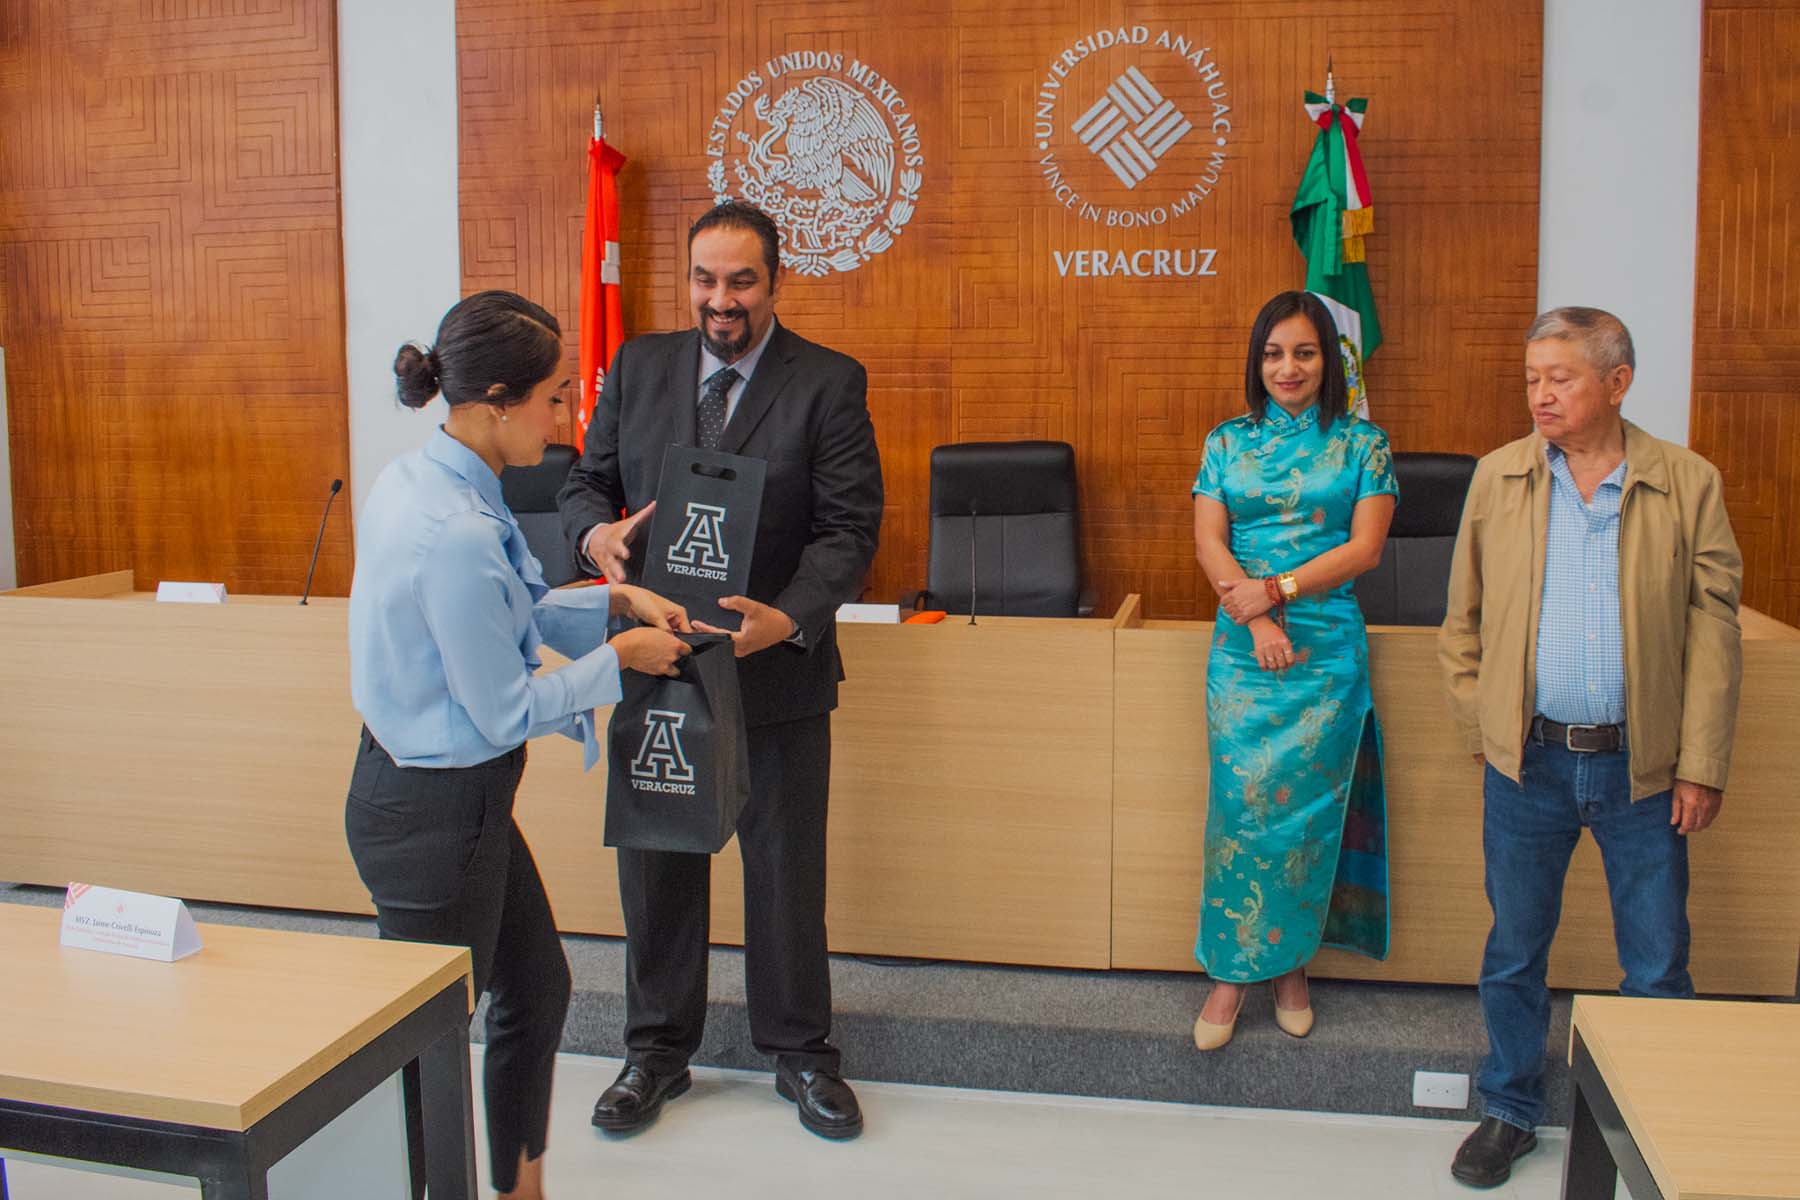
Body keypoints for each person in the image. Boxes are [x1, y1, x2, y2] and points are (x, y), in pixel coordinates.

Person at [346, 290, 691, 1199]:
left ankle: (517, 1188)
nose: (567, 417)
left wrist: (613, 600)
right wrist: (620, 659)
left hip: (461, 804)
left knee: (536, 993)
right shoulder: (451, 529)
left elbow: (516, 610)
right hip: (431, 814)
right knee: (428, 1049)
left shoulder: (436, 479)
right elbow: (501, 708)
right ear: (495, 401)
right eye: (554, 397)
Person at [558, 201, 884, 1139]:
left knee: (786, 874)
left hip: (773, 672)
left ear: (774, 280)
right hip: (657, 667)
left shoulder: (827, 382)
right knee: (656, 871)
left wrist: (790, 616)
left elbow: (849, 528)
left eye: (741, 281)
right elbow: (588, 481)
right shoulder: (641, 366)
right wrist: (593, 534)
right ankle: (656, 1053)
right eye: (705, 279)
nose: (721, 300)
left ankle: (801, 1056)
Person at [1439, 306, 1743, 1188]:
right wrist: (1483, 726)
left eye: (1560, 378)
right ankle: (1509, 1110)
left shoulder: (1687, 482)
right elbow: (1461, 623)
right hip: (1527, 765)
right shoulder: (1498, 478)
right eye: (1533, 378)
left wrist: (1699, 764)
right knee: (1514, 950)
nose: (1541, 395)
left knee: (1655, 961)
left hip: (1642, 769)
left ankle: (1657, 1123)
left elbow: (1712, 637)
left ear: (1617, 382)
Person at [1189, 290, 1397, 1051]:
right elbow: (1211, 543)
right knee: (1241, 812)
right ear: (1257, 361)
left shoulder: (1363, 445)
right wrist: (1258, 615)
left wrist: (1277, 591)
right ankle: (1229, 973)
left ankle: (1290, 968)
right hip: (1243, 651)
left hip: (1325, 653)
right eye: (1274, 353)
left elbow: (1364, 550)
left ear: (1328, 361)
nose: (1289, 367)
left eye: (1304, 352)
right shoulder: (1226, 442)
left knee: (1307, 817)